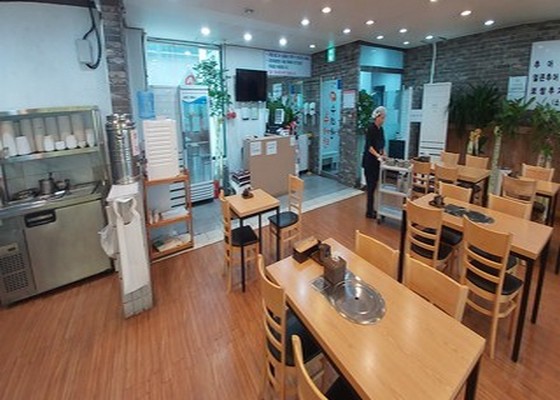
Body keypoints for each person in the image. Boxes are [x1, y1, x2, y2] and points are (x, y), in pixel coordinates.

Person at [362, 106, 386, 218]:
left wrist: (384, 154)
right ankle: (369, 211)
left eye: (384, 118)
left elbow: (382, 145)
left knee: (374, 186)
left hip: (377, 162)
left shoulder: (381, 130)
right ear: (377, 117)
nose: (383, 120)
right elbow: (369, 147)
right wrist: (378, 156)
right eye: (382, 117)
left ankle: (372, 209)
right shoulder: (370, 129)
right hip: (369, 162)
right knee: (370, 187)